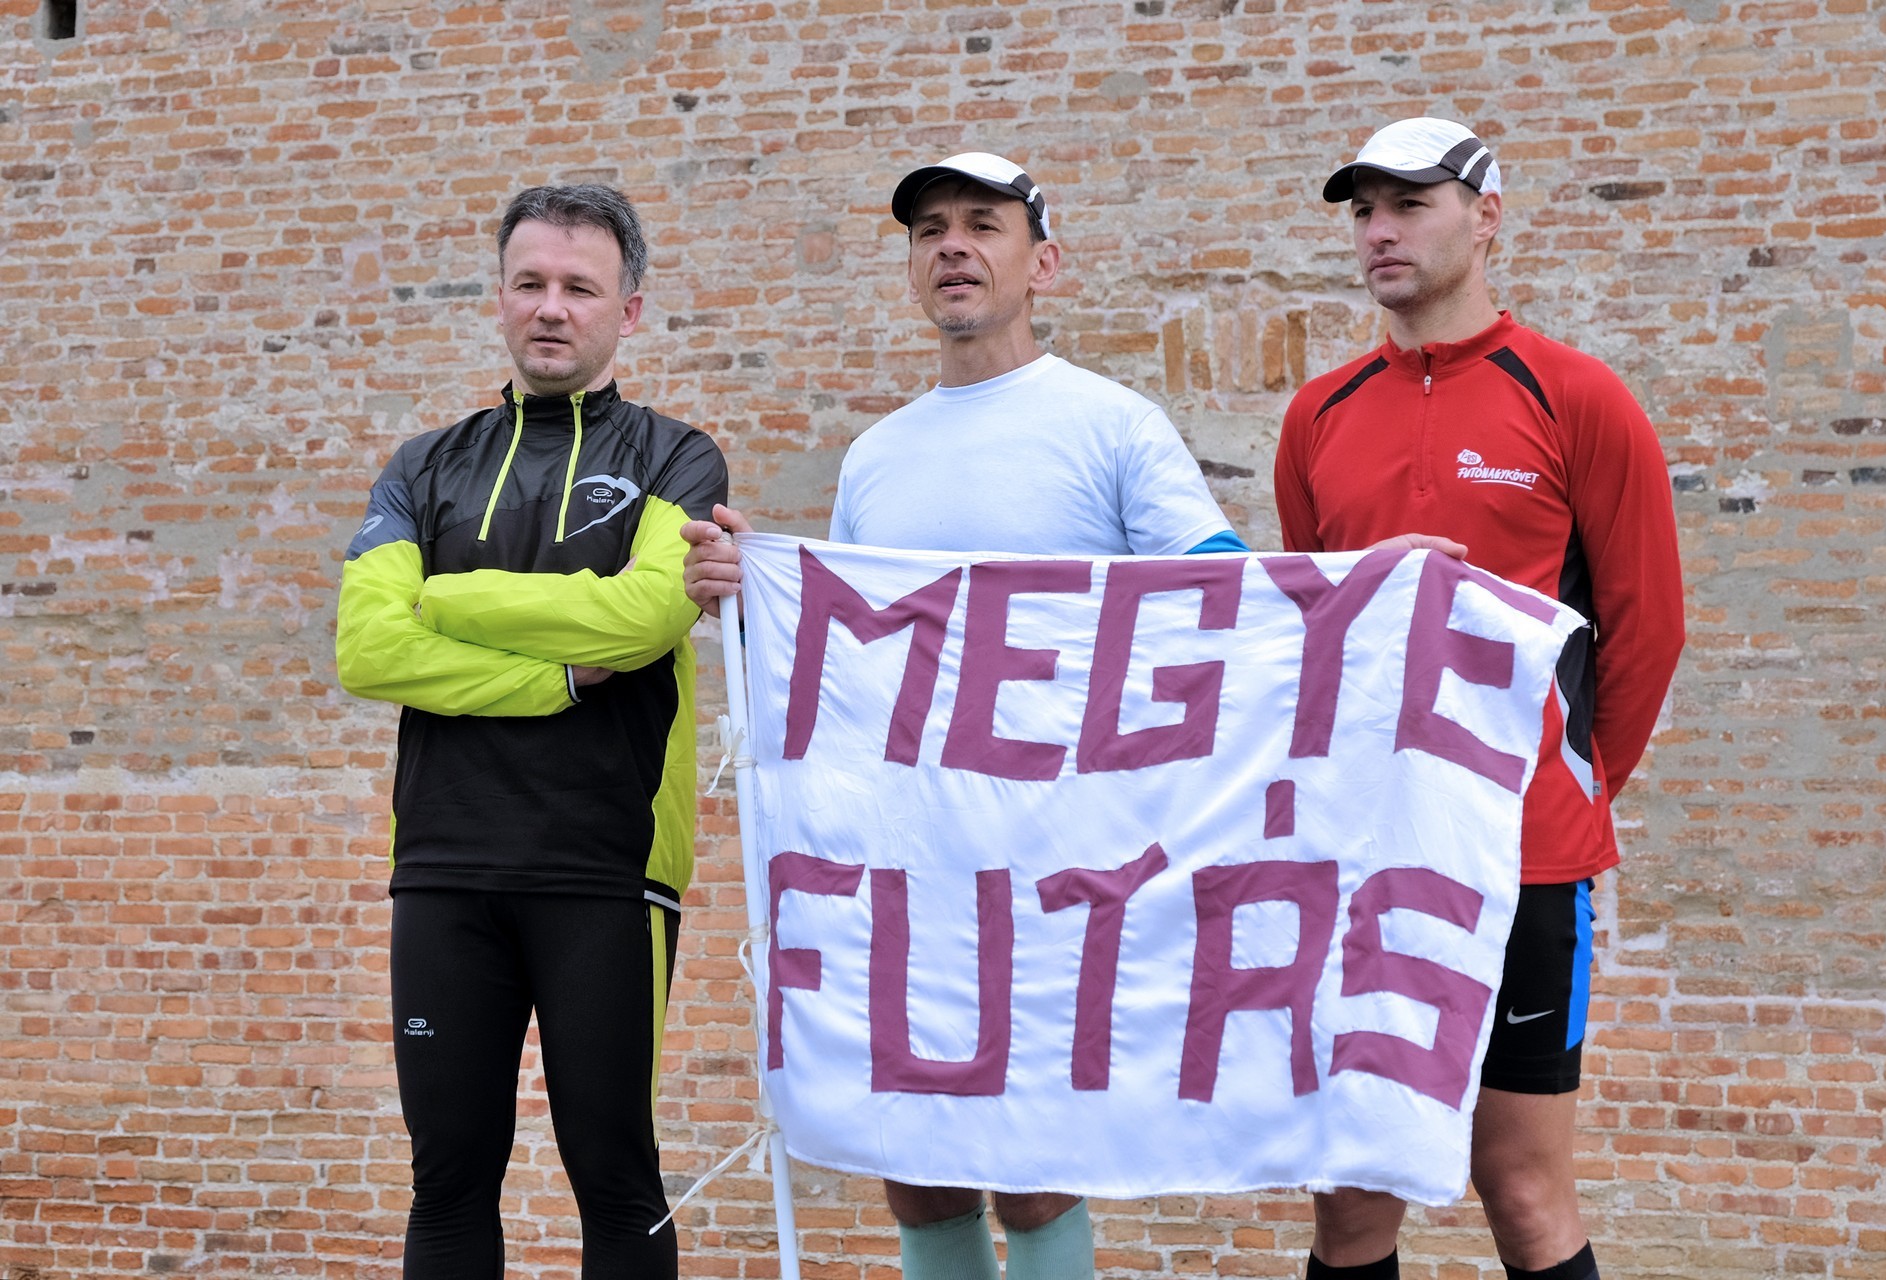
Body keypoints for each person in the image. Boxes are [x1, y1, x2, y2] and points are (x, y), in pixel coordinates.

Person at [682, 152, 1248, 1280]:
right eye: (930, 228)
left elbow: (1233, 606)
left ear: (1044, 263)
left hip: (1056, 863)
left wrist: (1369, 590)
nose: (952, 245)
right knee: (917, 1156)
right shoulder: (877, 456)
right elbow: (850, 664)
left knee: (1031, 1160)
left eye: (983, 224)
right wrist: (745, 605)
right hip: (911, 861)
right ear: (909, 269)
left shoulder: (1113, 424)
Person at [1272, 118, 1685, 1280]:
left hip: (1526, 857)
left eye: (1409, 203)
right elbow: (1313, 632)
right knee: (1354, 1204)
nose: (1379, 230)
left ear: (1486, 215)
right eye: (1364, 209)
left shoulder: (1576, 395)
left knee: (1524, 1191)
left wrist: (1565, 787)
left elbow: (1648, 627)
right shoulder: (1317, 414)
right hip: (1368, 859)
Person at [335, 184, 727, 1278]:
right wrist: (558, 675)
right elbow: (368, 648)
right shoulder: (422, 465)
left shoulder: (678, 457)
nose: (552, 307)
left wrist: (445, 599)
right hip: (444, 866)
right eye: (531, 283)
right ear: (501, 298)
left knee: (616, 1176)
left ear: (627, 311)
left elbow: (645, 615)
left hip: (607, 868)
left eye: (579, 288)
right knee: (447, 1182)